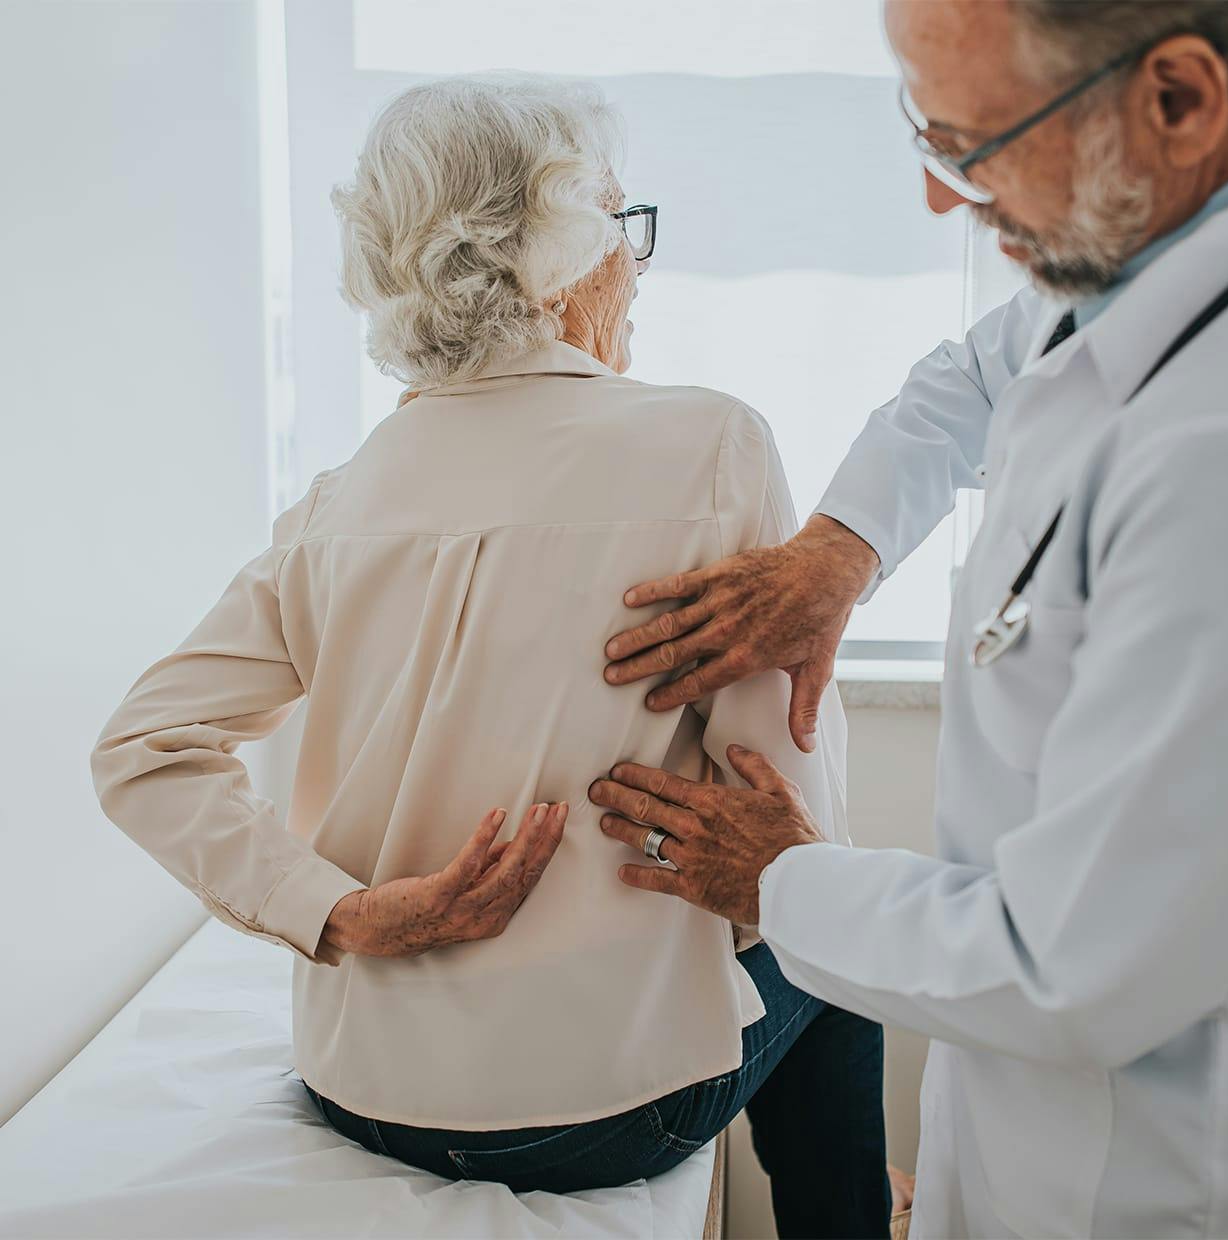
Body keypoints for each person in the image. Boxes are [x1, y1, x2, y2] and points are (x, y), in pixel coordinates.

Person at [591, 2, 1228, 1235]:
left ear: (1179, 97)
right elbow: (993, 369)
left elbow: (1070, 967)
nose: (942, 199)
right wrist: (839, 545)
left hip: (1190, 1174)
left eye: (972, 146)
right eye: (922, 131)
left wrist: (780, 880)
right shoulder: (1209, 210)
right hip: (1058, 1116)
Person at [91, 73, 894, 1236]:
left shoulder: (337, 500)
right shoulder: (710, 443)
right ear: (557, 250)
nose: (636, 263)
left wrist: (348, 914)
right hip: (607, 1109)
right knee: (840, 956)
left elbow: (140, 750)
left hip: (360, 1089)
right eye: (623, 226)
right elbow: (777, 845)